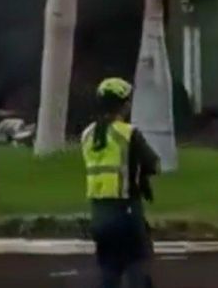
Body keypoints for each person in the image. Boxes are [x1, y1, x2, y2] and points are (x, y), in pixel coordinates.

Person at [82, 77, 159, 288]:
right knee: (135, 265)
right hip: (125, 210)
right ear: (123, 104)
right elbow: (153, 163)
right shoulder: (128, 133)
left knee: (108, 270)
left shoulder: (87, 134)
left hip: (98, 212)